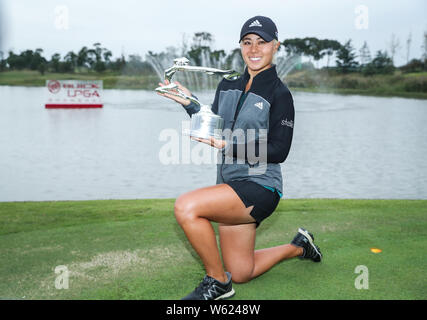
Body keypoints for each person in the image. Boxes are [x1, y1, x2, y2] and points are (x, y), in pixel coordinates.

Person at [157, 16, 322, 300]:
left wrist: (229, 145)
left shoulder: (280, 93)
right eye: (248, 42)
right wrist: (191, 103)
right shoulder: (228, 83)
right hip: (229, 183)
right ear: (241, 47)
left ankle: (217, 282)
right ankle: (300, 246)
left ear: (275, 46)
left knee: (186, 207)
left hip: (261, 186)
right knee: (242, 271)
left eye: (262, 42)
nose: (254, 49)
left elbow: (279, 150)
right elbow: (215, 126)